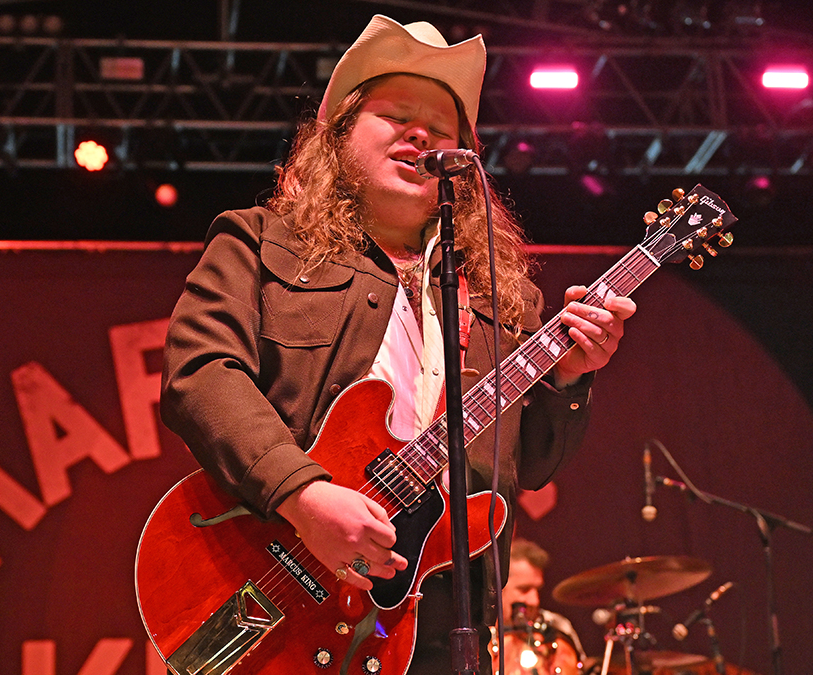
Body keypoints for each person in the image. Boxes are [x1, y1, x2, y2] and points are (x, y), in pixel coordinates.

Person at [159, 13, 635, 674]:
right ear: (338, 135)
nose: (421, 134)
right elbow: (201, 372)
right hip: (285, 576)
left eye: (442, 127)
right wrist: (302, 495)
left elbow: (527, 464)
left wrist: (570, 378)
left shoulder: (498, 295)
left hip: (442, 620)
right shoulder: (260, 242)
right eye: (397, 115)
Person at [491, 539, 588, 673]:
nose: (534, 600)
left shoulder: (557, 625)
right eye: (524, 589)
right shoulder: (478, 630)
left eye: (538, 590)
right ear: (497, 588)